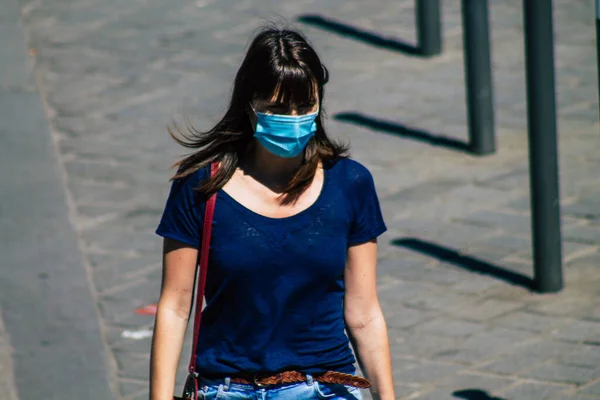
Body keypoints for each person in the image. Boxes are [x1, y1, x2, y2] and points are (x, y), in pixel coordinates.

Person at [150, 27, 395, 400]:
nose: (294, 119)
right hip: (227, 389)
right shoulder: (200, 187)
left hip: (324, 388)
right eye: (278, 109)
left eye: (305, 107)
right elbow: (175, 306)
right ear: (250, 108)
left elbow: (364, 314)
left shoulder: (351, 183)